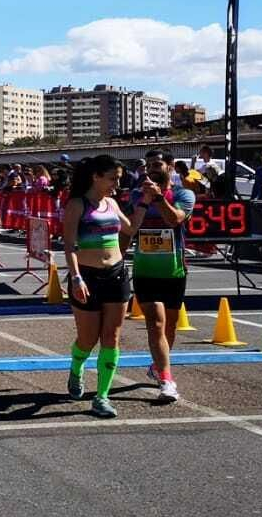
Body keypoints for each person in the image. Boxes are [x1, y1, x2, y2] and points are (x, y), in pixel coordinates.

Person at [62, 155, 134, 418]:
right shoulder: (77, 205)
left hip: (116, 275)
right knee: (87, 339)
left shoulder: (113, 203)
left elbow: (130, 229)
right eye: (113, 178)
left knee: (111, 337)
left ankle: (102, 397)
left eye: (119, 179)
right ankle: (76, 368)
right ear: (96, 177)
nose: (117, 184)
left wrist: (146, 203)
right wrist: (76, 277)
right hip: (87, 278)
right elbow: (69, 245)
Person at [126, 153, 192, 403]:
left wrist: (159, 197)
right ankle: (166, 380)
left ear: (170, 168)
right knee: (155, 322)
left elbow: (174, 219)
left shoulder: (184, 195)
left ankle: (157, 365)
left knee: (170, 327)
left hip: (173, 271)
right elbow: (131, 227)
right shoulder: (136, 195)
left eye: (157, 166)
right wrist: (144, 200)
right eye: (148, 166)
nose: (151, 170)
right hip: (145, 270)